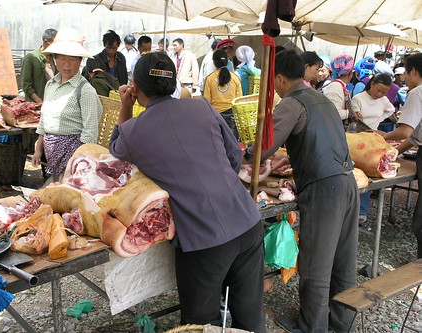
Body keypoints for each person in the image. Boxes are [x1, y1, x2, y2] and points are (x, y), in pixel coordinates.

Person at [109, 51, 266, 332]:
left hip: (205, 239)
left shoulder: (133, 131)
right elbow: (233, 157)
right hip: (247, 221)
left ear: (136, 86)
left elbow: (115, 149)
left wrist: (125, 105)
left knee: (202, 323)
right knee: (250, 316)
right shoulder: (202, 107)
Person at [261, 49, 358, 333]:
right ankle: (341, 323)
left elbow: (265, 147)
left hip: (323, 189)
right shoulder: (322, 99)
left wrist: (246, 153)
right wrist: (292, 157)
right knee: (343, 262)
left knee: (315, 265)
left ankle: (311, 327)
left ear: (278, 78)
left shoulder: (291, 103)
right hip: (347, 182)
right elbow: (323, 140)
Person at [32, 28, 103, 183]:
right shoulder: (51, 84)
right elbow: (44, 121)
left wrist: (77, 162)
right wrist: (38, 150)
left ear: (80, 61)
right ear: (55, 60)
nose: (67, 64)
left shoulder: (85, 90)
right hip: (51, 154)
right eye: (62, 59)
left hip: (74, 156)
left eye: (72, 59)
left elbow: (90, 132)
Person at [377, 53, 422, 258]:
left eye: (405, 71)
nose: (404, 76)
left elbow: (405, 131)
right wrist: (395, 152)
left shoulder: (417, 92)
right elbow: (414, 137)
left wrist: (384, 137)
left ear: (413, 71)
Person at [352, 73, 395, 224]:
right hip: (358, 141)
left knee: (369, 177)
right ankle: (351, 210)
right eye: (378, 90)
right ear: (372, 84)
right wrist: (356, 116)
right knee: (357, 174)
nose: (380, 94)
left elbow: (391, 111)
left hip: (374, 141)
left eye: (384, 92)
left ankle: (362, 211)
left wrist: (379, 120)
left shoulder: (384, 101)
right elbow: (353, 118)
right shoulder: (358, 98)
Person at [204, 50, 242, 140]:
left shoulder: (209, 79)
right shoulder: (235, 78)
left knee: (218, 142)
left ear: (214, 63)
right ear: (227, 61)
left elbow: (206, 101)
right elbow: (239, 100)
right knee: (232, 143)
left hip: (215, 115)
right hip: (233, 116)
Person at [21, 28, 57, 103]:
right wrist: (39, 101)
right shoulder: (30, 58)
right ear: (46, 42)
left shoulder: (56, 59)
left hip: (52, 102)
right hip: (36, 105)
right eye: (55, 44)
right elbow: (26, 86)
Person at [323, 54, 356, 124]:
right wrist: (351, 113)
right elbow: (335, 113)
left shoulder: (340, 86)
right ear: (350, 73)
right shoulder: (336, 86)